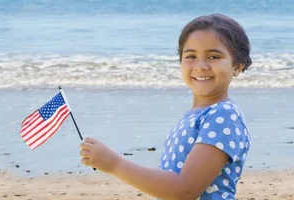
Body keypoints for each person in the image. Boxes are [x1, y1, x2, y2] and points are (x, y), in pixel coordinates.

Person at [79, 13, 252, 200]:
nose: (200, 65)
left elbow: (184, 190)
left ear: (238, 65)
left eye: (213, 56)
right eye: (191, 56)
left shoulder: (223, 116)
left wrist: (114, 164)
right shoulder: (197, 116)